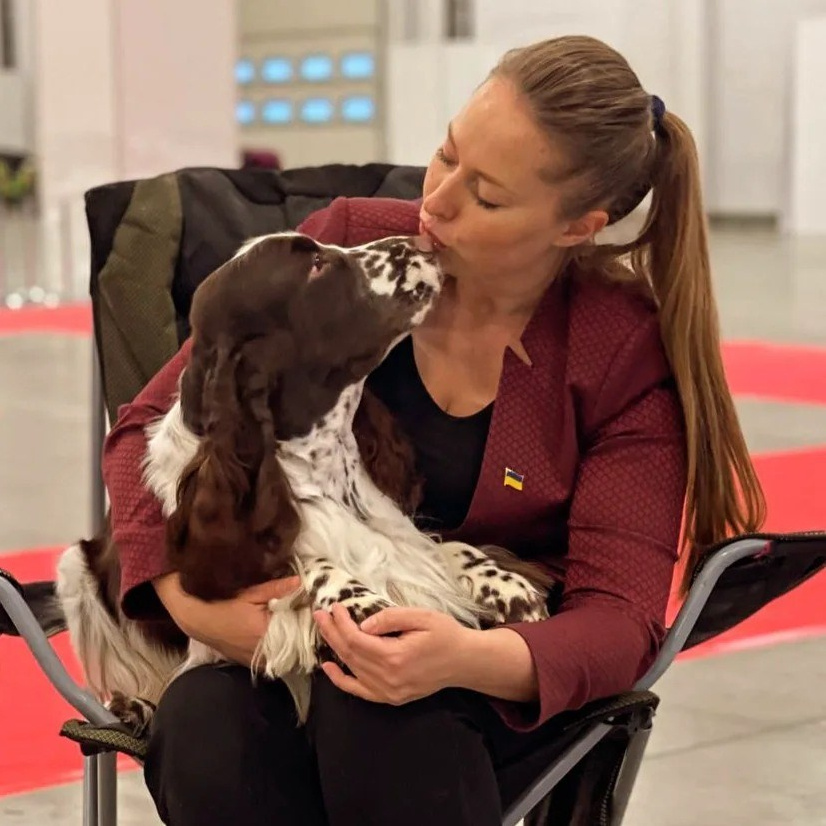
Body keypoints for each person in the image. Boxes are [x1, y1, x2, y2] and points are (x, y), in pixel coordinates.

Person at [101, 35, 765, 825]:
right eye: (445, 155)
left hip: (484, 673)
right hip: (285, 631)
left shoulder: (619, 350)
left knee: (377, 720)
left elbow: (619, 619)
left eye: (485, 196)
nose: (436, 203)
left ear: (577, 227)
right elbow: (146, 425)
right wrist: (186, 600)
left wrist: (466, 656)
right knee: (203, 726)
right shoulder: (344, 246)